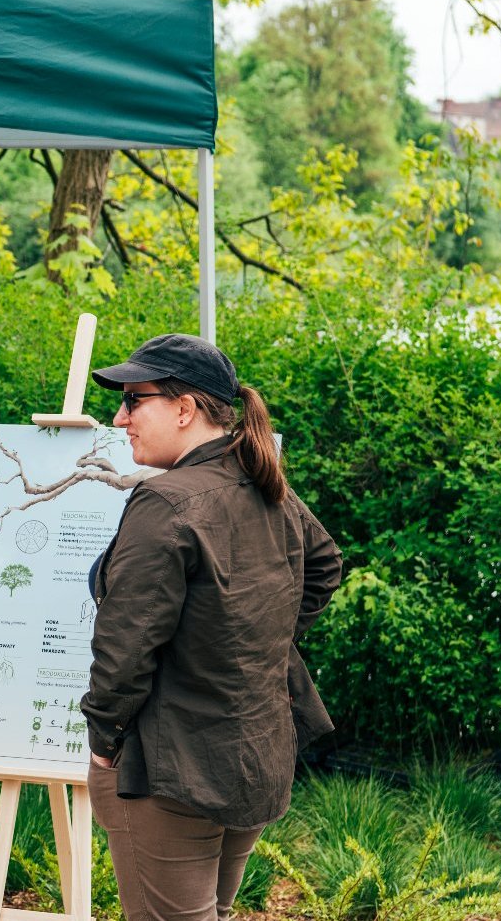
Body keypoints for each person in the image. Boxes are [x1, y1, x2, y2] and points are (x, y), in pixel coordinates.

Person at [80, 333, 343, 921]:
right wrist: (251, 636)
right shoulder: (262, 482)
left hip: (167, 765)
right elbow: (324, 565)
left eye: (133, 400)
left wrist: (104, 741)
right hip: (252, 750)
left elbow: (125, 646)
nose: (120, 418)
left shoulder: (167, 502)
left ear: (183, 407)